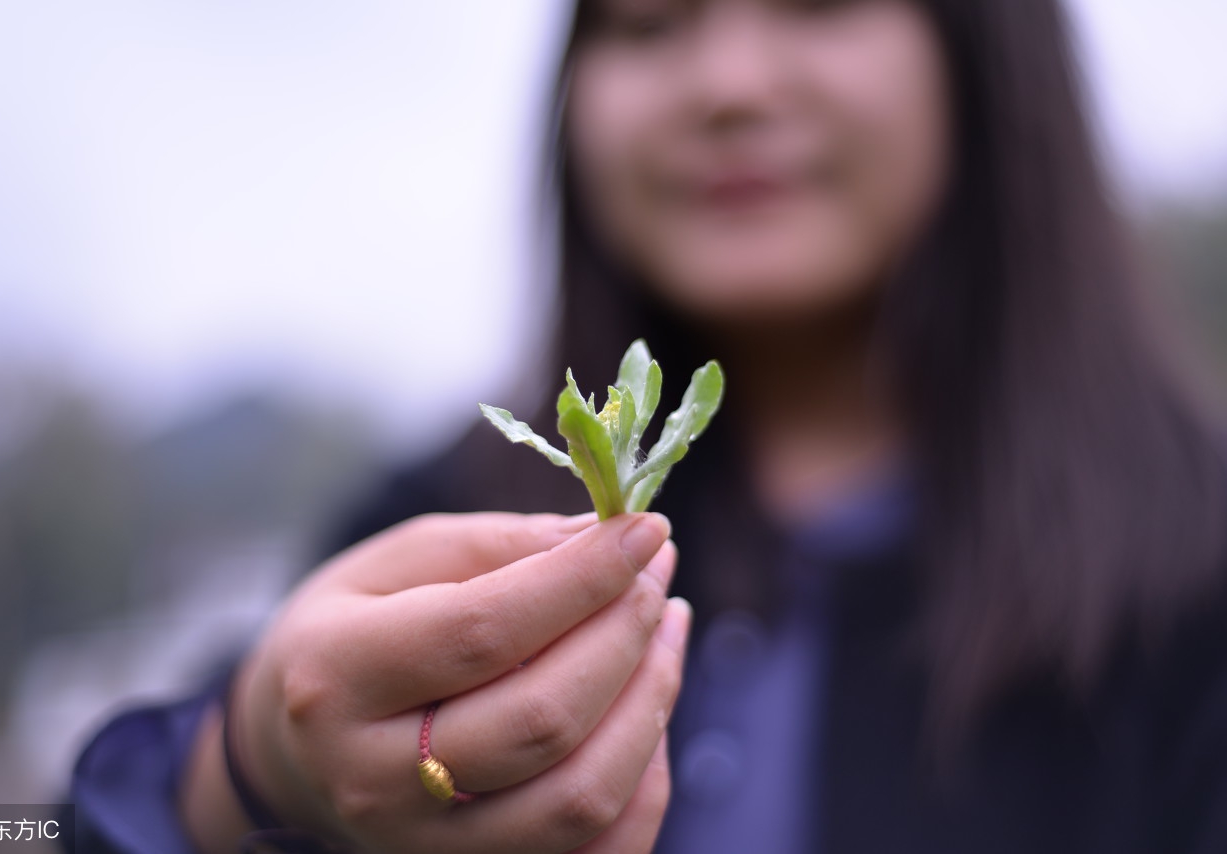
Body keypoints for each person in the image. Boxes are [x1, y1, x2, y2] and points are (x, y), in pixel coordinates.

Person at [66, 0, 1227, 851]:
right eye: (647, 22)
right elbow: (25, 829)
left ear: (980, 56)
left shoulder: (1193, 559)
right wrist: (255, 772)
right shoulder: (439, 518)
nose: (725, 82)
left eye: (817, 6)